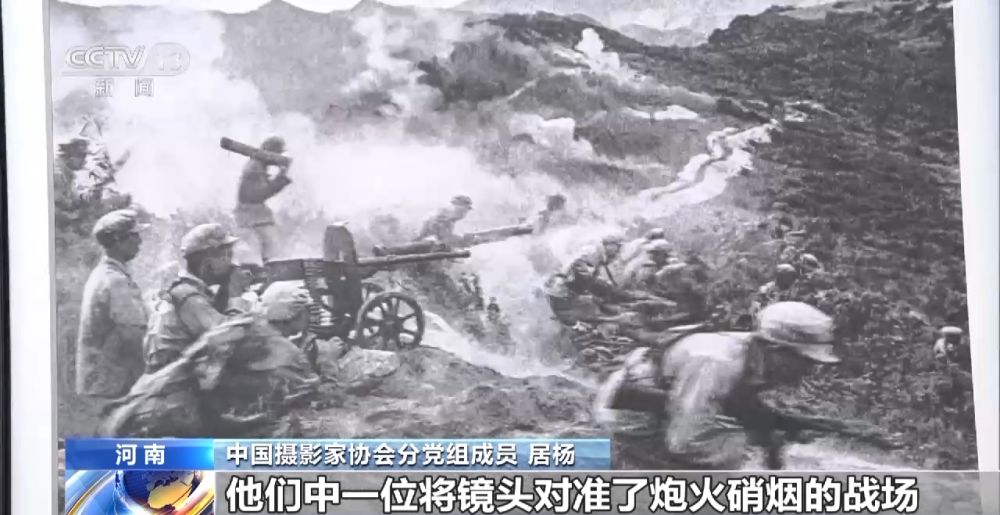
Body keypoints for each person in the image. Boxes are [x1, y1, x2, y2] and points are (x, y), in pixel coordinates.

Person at [600, 301, 843, 470]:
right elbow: (685, 440)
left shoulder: (753, 357)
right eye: (804, 360)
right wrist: (750, 438)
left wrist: (771, 433)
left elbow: (735, 405)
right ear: (776, 349)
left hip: (669, 409)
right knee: (728, 454)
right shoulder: (717, 362)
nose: (809, 369)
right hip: (631, 417)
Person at [143, 224, 246, 373]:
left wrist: (226, 291)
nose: (232, 263)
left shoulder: (190, 290)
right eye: (227, 255)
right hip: (172, 382)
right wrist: (236, 294)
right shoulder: (186, 295)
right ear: (207, 261)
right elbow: (231, 337)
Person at [76, 209, 150, 410]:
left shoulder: (107, 274)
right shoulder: (114, 280)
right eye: (134, 235)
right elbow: (133, 334)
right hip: (112, 386)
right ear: (118, 240)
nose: (139, 242)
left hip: (104, 383)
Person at [544, 233, 630, 325]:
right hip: (562, 291)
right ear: (609, 245)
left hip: (564, 288)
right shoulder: (594, 253)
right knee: (593, 308)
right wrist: (603, 287)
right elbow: (585, 275)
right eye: (617, 246)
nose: (618, 251)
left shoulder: (598, 254)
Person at [233, 136, 292, 265]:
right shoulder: (254, 167)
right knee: (262, 256)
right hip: (251, 219)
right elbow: (255, 195)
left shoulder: (257, 165)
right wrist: (281, 179)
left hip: (253, 218)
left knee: (268, 251)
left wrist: (280, 177)